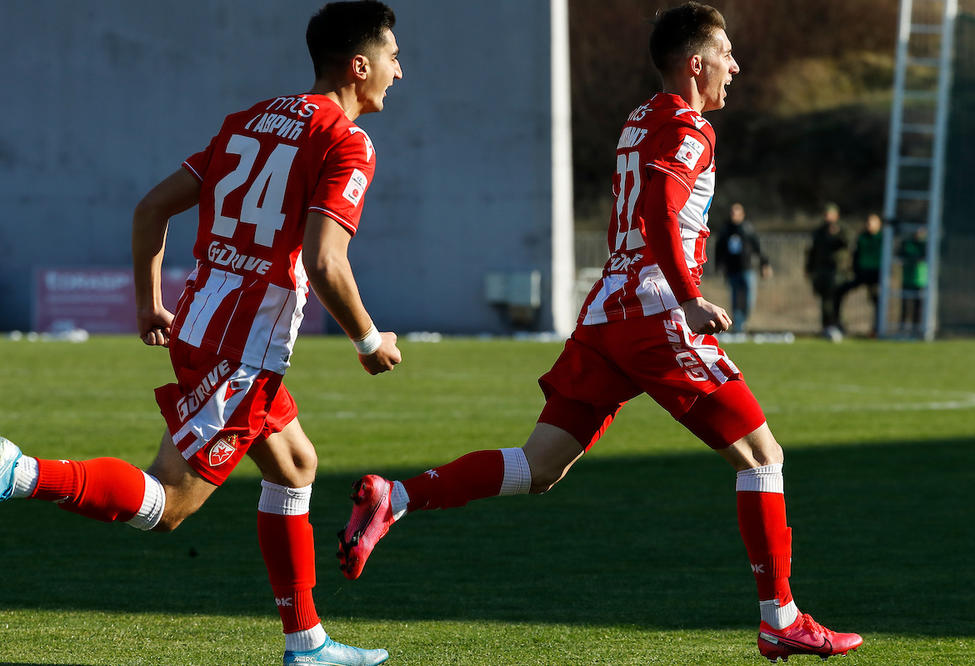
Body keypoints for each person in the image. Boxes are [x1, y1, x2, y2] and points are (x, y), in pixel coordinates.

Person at [336, 3, 863, 663]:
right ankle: (781, 617)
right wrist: (690, 297)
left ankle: (400, 496)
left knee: (539, 466)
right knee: (763, 456)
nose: (736, 65)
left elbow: (648, 205)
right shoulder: (690, 127)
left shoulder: (642, 118)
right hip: (652, 313)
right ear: (695, 63)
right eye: (726, 53)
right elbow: (662, 212)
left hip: (606, 314)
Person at [0, 3, 402, 664]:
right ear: (359, 66)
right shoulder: (346, 141)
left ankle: (306, 643)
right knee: (170, 502)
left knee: (296, 464)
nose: (398, 70)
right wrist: (368, 340)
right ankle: (20, 471)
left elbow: (152, 207)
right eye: (392, 56)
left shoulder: (249, 119)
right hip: (242, 344)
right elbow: (327, 261)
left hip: (204, 318)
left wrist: (146, 303)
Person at [715, 202, 771, 333]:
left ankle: (743, 320)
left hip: (747, 269)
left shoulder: (747, 229)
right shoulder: (726, 230)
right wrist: (719, 266)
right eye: (732, 213)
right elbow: (719, 249)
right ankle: (738, 326)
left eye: (737, 213)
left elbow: (758, 247)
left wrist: (765, 264)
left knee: (748, 299)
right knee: (735, 299)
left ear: (742, 215)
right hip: (732, 270)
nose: (734, 216)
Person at [805, 202, 850, 341]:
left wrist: (837, 234)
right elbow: (812, 251)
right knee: (825, 300)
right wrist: (809, 268)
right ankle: (827, 327)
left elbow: (848, 243)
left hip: (838, 271)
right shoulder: (819, 231)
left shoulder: (843, 229)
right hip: (822, 270)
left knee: (836, 300)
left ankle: (837, 325)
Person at [837, 213, 883, 336]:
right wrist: (854, 270)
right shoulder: (861, 237)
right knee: (839, 291)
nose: (869, 225)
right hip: (862, 273)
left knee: (878, 300)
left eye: (872, 222)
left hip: (876, 275)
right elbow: (855, 255)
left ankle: (877, 329)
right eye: (867, 222)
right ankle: (838, 324)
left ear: (879, 224)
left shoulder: (883, 238)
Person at [899, 226, 928, 334]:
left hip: (921, 280)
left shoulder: (926, 244)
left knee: (918, 307)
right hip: (907, 279)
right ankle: (902, 328)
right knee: (905, 306)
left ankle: (916, 329)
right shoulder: (907, 244)